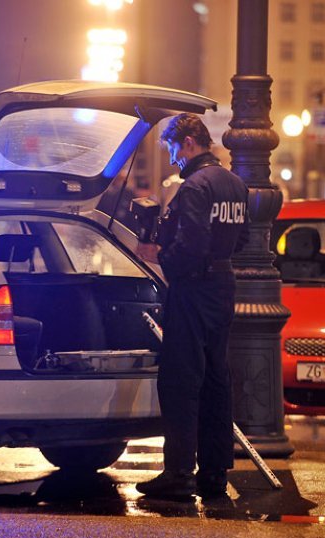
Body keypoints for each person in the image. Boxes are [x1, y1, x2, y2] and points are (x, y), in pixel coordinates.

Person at [136, 113, 249, 499]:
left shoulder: (195, 186)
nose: (172, 159)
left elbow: (191, 246)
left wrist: (159, 254)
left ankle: (179, 472)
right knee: (217, 379)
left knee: (180, 379)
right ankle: (215, 472)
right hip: (222, 286)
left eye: (172, 148)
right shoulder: (234, 184)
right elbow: (244, 238)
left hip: (193, 288)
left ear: (187, 142)